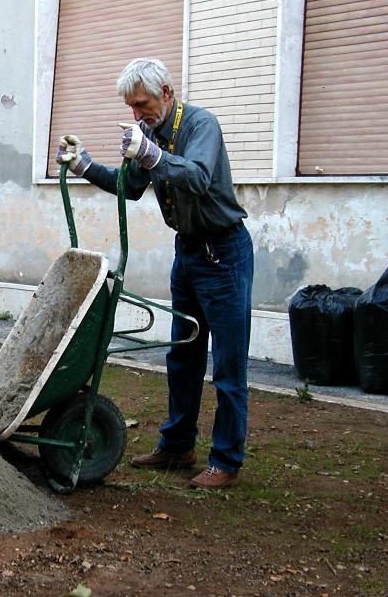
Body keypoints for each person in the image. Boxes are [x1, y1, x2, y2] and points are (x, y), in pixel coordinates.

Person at [55, 57, 254, 489]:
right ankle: (178, 445)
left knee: (227, 364)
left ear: (166, 93)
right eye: (131, 107)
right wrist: (84, 165)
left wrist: (152, 154)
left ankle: (226, 462)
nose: (136, 115)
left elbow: (198, 179)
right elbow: (130, 186)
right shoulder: (149, 132)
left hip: (224, 252)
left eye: (141, 104)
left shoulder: (202, 126)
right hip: (188, 253)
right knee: (183, 353)